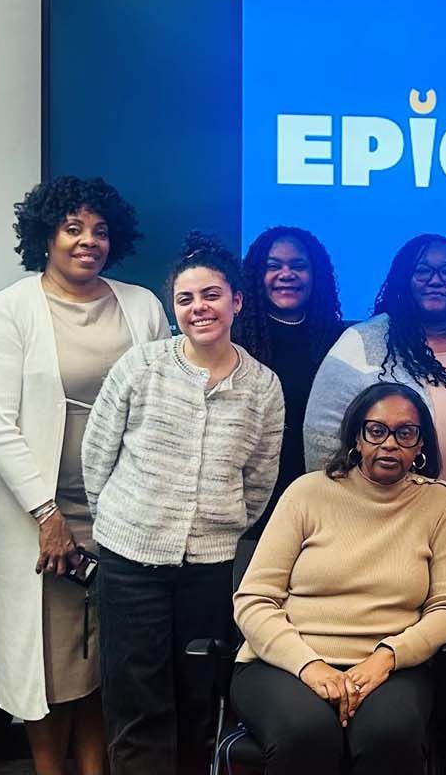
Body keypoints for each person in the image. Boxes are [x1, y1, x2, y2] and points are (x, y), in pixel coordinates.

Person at [0, 177, 170, 774]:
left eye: (100, 231)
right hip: (37, 514)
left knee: (106, 654)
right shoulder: (11, 309)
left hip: (121, 511)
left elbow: (165, 403)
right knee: (47, 657)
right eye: (73, 229)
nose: (89, 242)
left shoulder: (141, 306)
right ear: (46, 236)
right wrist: (47, 515)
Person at [82, 232, 284, 775]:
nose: (200, 308)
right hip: (129, 563)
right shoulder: (141, 367)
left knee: (199, 696)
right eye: (186, 299)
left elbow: (260, 479)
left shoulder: (263, 386)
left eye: (212, 295)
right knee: (136, 700)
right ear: (174, 308)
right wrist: (125, 522)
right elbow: (97, 457)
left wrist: (221, 525)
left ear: (237, 301)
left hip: (209, 568)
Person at [231, 382, 446, 775]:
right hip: (284, 663)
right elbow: (254, 600)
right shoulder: (307, 493)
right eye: (376, 430)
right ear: (356, 438)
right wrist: (310, 666)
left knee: (389, 735)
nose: (389, 444)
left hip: (389, 669)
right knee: (307, 732)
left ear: (420, 444)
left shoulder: (439, 502)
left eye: (405, 433)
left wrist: (387, 657)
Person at [305, 234, 446, 564]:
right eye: (422, 271)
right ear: (403, 279)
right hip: (389, 549)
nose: (436, 280)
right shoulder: (361, 345)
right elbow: (321, 447)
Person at [235, 225, 343, 536]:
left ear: (315, 275)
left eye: (298, 266)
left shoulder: (338, 342)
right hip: (249, 506)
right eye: (273, 266)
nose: (287, 274)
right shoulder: (235, 340)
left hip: (321, 500)